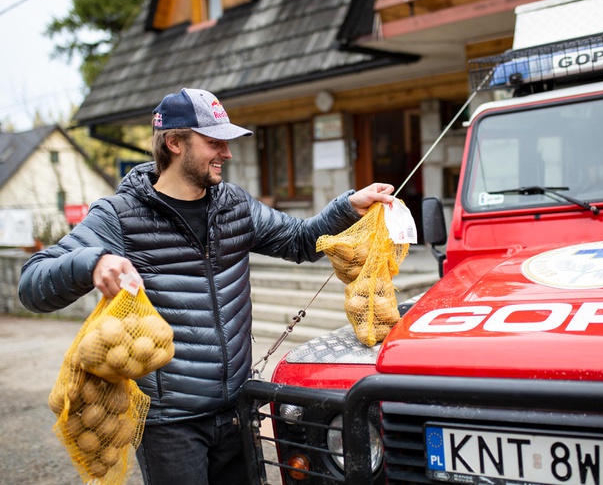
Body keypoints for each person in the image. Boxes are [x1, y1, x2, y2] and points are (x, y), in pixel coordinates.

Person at [17, 87, 395, 484]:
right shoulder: (120, 216)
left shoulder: (234, 205)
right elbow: (32, 284)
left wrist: (348, 207)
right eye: (215, 142)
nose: (227, 154)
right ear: (175, 142)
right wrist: (92, 261)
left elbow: (300, 240)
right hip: (170, 426)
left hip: (236, 409)